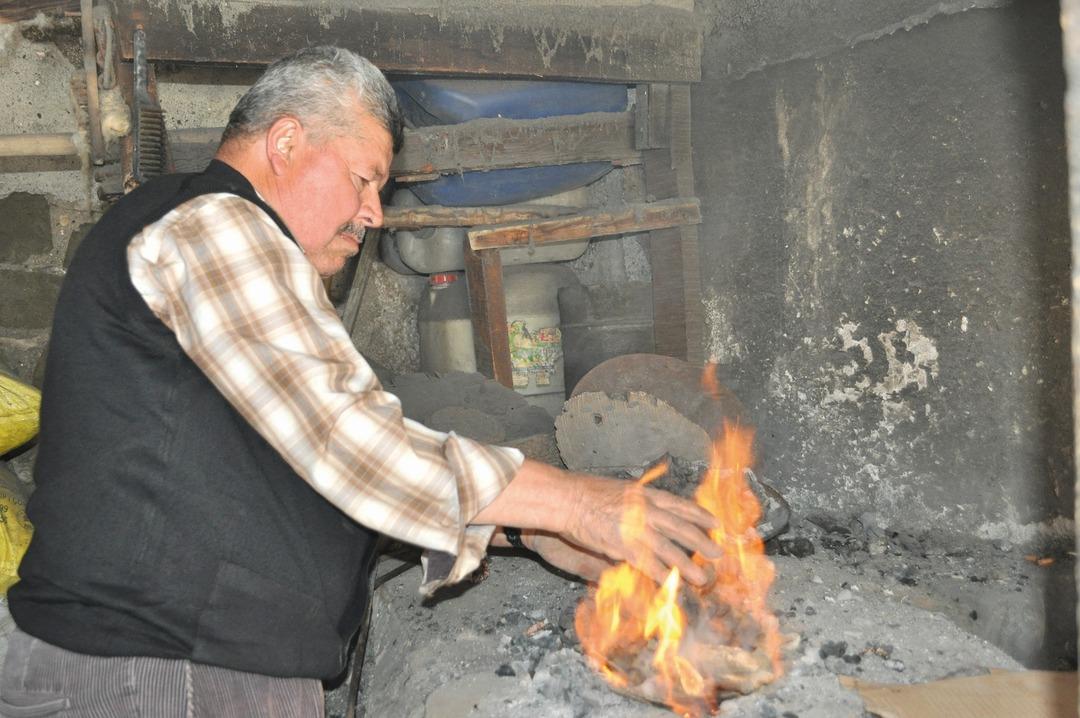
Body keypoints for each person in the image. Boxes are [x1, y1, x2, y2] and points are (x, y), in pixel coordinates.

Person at [0, 46, 721, 717]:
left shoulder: (225, 255)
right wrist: (575, 503)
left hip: (179, 667)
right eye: (364, 178)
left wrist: (524, 528)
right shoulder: (214, 225)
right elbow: (347, 440)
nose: (375, 212)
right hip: (157, 675)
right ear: (285, 144)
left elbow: (298, 473)